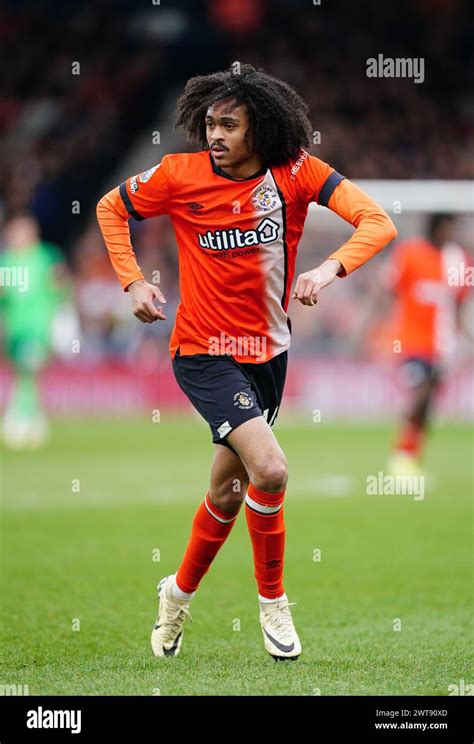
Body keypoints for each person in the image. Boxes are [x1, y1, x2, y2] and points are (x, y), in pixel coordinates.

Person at [96, 63, 397, 660]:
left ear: (258, 130)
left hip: (269, 356)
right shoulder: (179, 176)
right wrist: (131, 282)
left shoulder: (297, 173)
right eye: (209, 123)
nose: (215, 135)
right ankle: (274, 604)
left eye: (228, 125)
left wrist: (328, 268)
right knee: (273, 470)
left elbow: (377, 222)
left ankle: (176, 596)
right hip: (202, 352)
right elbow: (111, 207)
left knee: (229, 491)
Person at [379, 214, 470, 474]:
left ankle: (409, 455)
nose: (452, 234)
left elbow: (460, 305)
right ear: (436, 228)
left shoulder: (458, 260)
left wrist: (465, 337)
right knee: (421, 392)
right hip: (411, 342)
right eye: (449, 228)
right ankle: (400, 457)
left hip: (444, 345)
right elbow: (388, 289)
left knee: (429, 403)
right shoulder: (409, 254)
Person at [0, 213, 68, 449]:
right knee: (23, 373)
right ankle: (32, 417)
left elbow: (59, 286)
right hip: (14, 327)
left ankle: (19, 418)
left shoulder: (45, 256)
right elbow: (3, 296)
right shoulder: (7, 261)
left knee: (29, 371)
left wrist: (59, 316)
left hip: (38, 326)